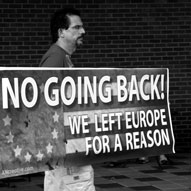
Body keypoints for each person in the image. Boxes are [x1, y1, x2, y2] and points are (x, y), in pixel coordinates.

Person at [40, 8, 95, 191]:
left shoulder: (62, 57)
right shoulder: (55, 58)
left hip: (66, 148)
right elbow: (46, 101)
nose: (83, 31)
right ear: (61, 32)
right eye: (77, 27)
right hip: (66, 149)